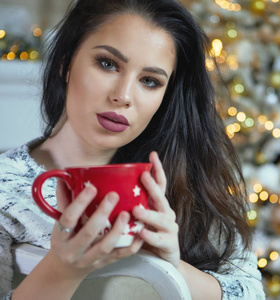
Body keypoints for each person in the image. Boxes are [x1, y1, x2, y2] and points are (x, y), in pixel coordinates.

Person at [0, 0, 265, 299]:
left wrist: (166, 267)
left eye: (149, 81)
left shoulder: (185, 186)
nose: (123, 96)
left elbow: (251, 293)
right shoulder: (4, 190)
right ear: (65, 63)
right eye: (108, 63)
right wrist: (61, 270)